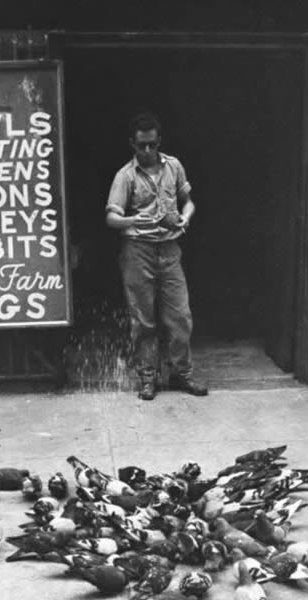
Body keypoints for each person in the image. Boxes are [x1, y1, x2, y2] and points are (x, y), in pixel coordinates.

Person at [105, 112, 208, 400]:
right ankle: (147, 377)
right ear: (132, 144)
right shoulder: (125, 176)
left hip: (170, 249)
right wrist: (136, 220)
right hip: (138, 251)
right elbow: (112, 218)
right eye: (141, 146)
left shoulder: (174, 166)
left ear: (159, 141)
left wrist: (185, 219)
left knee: (180, 316)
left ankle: (181, 373)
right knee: (144, 319)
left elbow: (188, 202)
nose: (147, 151)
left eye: (152, 144)